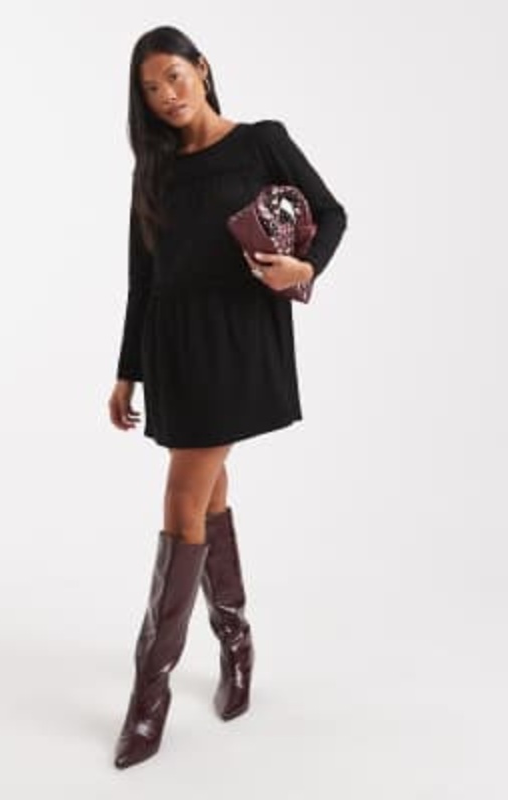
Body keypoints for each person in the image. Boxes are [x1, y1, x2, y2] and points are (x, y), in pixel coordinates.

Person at [106, 25, 348, 769]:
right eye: (151, 89)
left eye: (174, 77)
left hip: (236, 339)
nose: (166, 96)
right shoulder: (153, 170)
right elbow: (142, 279)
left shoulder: (261, 140)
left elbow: (331, 213)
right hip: (172, 345)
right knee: (207, 493)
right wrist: (126, 371)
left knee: (181, 499)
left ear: (203, 69)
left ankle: (149, 696)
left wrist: (304, 268)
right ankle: (236, 646)